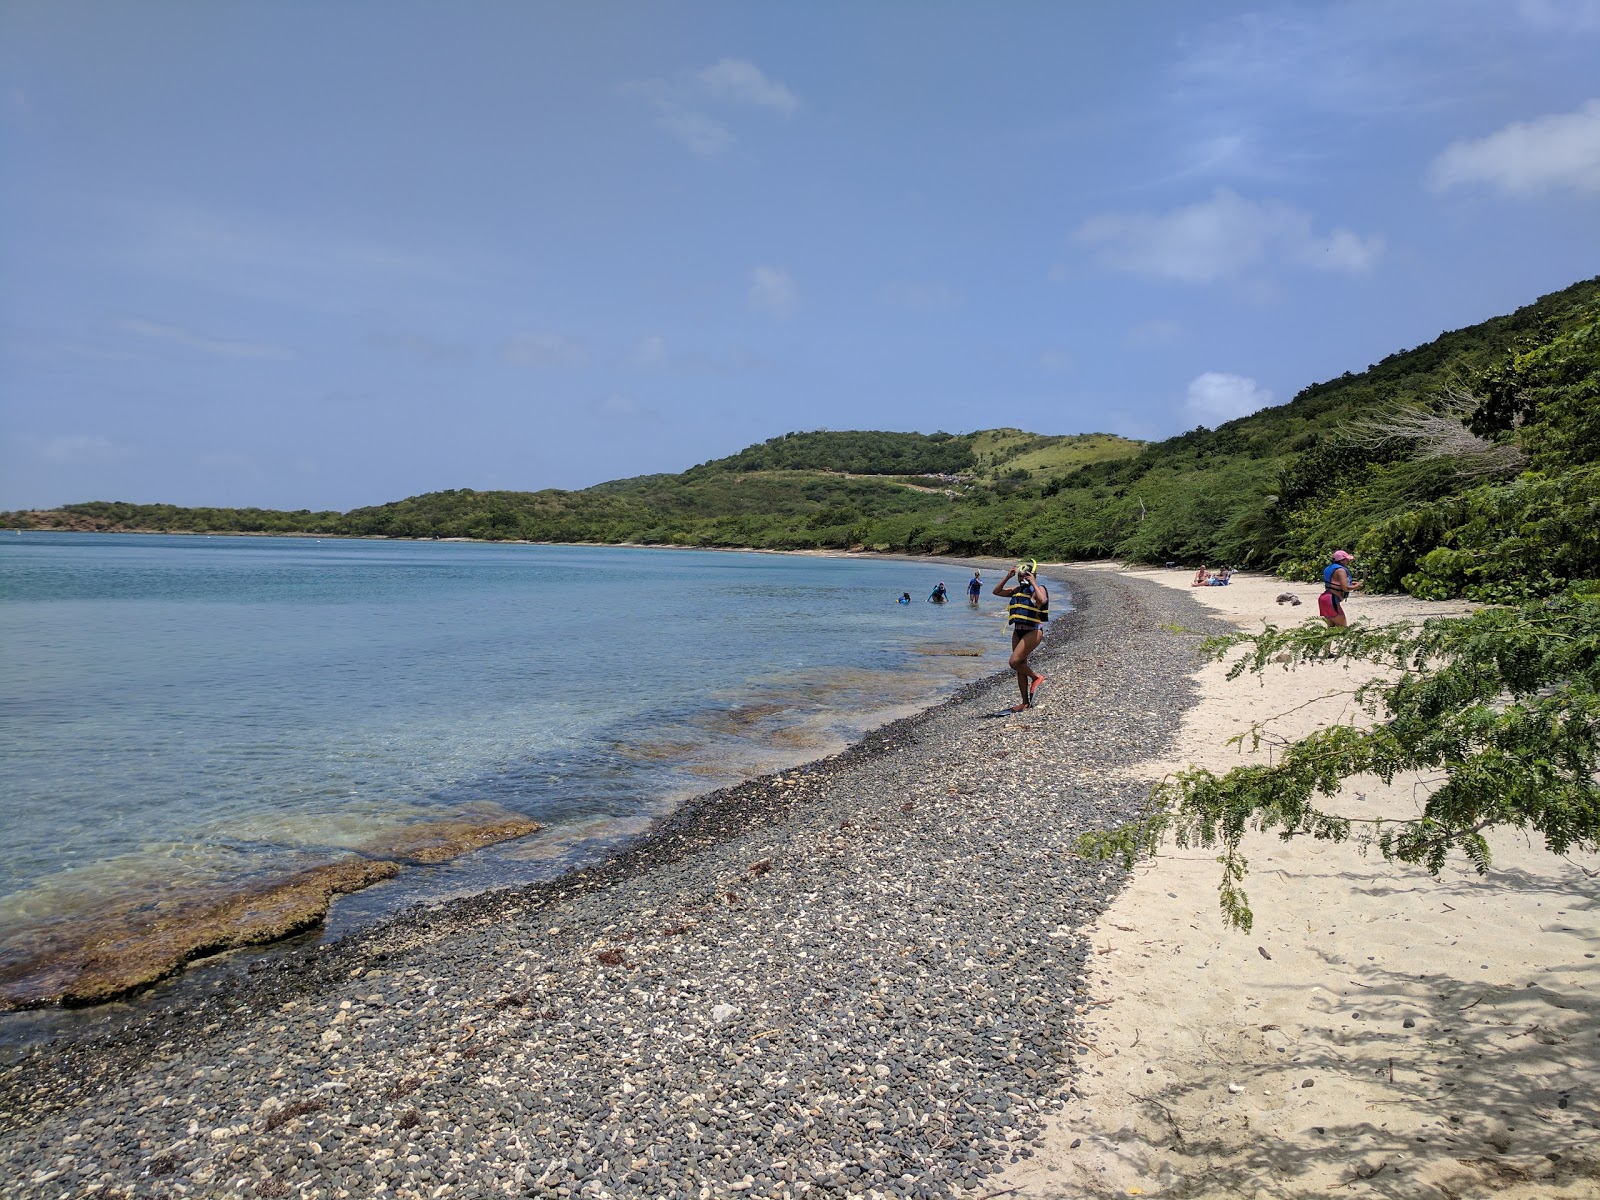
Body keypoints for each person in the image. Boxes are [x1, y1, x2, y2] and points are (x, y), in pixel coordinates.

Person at [993, 559, 1048, 711]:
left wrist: (1033, 582)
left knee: (1014, 662)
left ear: (1032, 575)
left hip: (1033, 630)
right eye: (1020, 576)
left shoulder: (1039, 588)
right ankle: (1024, 702)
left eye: (1025, 576)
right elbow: (996, 591)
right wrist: (1007, 577)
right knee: (1019, 666)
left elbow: (1042, 600)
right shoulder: (1016, 590)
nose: (1022, 579)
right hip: (1018, 630)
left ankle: (1036, 677)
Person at [1319, 550, 1360, 627]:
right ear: (1342, 560)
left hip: (1324, 599)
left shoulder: (1328, 568)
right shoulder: (1341, 570)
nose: (1348, 562)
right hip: (1332, 600)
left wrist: (1351, 583)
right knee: (1343, 629)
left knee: (1332, 630)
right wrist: (1357, 585)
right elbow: (1345, 588)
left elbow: (1334, 582)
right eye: (1347, 560)